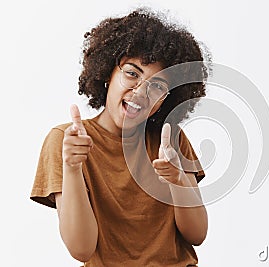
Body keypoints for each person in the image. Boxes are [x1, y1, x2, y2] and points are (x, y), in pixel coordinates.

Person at [30, 7, 210, 267]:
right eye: (132, 73)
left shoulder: (170, 141)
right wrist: (72, 168)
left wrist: (177, 179)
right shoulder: (67, 141)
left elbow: (197, 235)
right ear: (107, 73)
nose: (140, 91)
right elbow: (81, 249)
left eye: (157, 85)